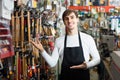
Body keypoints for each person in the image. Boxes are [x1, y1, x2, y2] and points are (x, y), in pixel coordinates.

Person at [30, 9, 100, 80]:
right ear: (64, 22)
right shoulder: (59, 41)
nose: (69, 21)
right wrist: (42, 50)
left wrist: (87, 65)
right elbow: (52, 63)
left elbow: (97, 59)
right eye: (67, 19)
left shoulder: (87, 38)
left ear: (77, 19)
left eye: (72, 17)